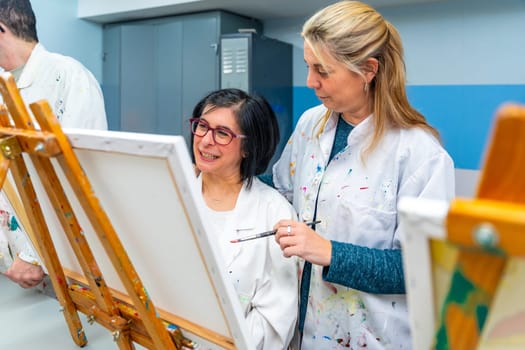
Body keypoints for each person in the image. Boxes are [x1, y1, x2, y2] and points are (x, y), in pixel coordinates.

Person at [270, 1, 455, 349]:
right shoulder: (312, 124)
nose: (311, 82)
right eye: (308, 67)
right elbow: (282, 190)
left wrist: (330, 252)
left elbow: (424, 270)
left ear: (368, 70)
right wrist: (222, 176)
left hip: (372, 337)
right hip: (304, 327)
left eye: (322, 71)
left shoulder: (419, 156)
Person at [0, 0, 108, 288]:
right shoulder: (3, 84)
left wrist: (34, 255)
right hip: (10, 261)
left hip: (58, 266)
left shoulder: (69, 77)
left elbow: (80, 175)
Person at [190, 88, 298, 349]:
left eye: (222, 133)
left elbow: (275, 322)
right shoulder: (171, 191)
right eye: (202, 126)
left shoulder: (274, 213)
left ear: (248, 147)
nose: (205, 141)